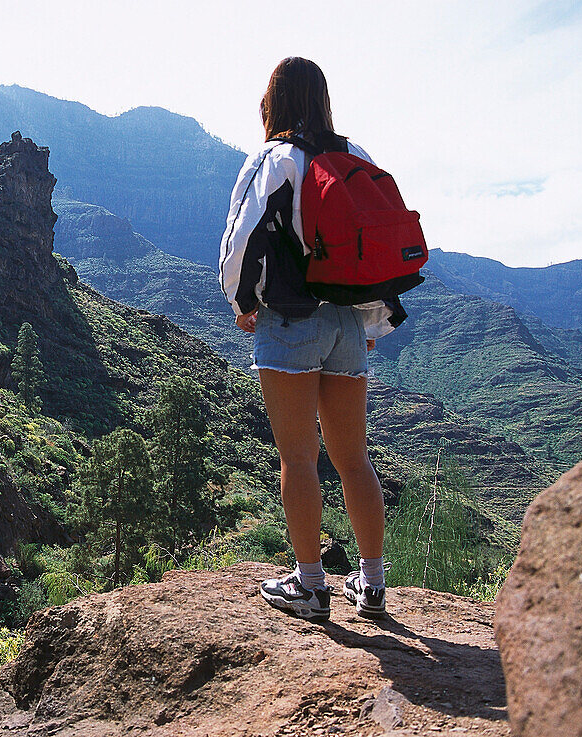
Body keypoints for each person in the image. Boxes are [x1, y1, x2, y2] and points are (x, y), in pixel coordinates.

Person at [218, 57, 405, 622]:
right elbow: (376, 242)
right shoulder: (355, 157)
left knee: (298, 459)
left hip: (291, 323)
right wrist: (373, 319)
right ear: (323, 100)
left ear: (272, 102)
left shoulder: (274, 159)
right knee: (354, 459)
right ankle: (371, 585)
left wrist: (241, 300)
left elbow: (240, 238)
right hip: (349, 322)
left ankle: (311, 585)